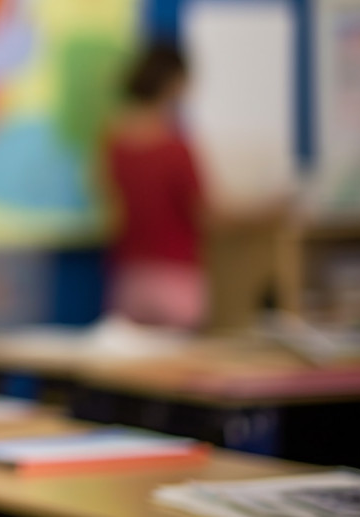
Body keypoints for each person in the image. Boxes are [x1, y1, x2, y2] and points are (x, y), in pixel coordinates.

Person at [102, 41, 288, 331]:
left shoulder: (114, 144)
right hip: (176, 280)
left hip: (129, 279)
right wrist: (266, 211)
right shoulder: (175, 148)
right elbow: (208, 216)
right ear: (174, 83)